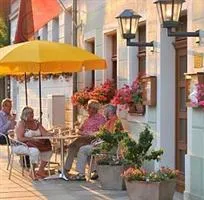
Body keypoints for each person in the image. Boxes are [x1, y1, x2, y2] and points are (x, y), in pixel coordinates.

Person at [72, 104, 122, 181]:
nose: (103, 113)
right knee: (86, 148)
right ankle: (95, 171)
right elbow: (103, 133)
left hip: (107, 147)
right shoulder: (112, 120)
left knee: (83, 149)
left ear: (109, 112)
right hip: (105, 145)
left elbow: (108, 136)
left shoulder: (113, 121)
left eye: (105, 111)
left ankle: (81, 174)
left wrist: (94, 134)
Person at [63, 100, 106, 177]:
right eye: (88, 107)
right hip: (83, 139)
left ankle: (79, 172)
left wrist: (85, 133)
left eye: (89, 108)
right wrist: (78, 130)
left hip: (93, 140)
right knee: (72, 147)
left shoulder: (100, 119)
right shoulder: (87, 118)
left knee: (77, 147)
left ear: (94, 109)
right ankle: (66, 169)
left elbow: (101, 132)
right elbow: (80, 129)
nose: (87, 109)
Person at [15, 106, 53, 180]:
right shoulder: (21, 124)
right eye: (30, 113)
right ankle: (32, 171)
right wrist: (31, 139)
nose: (32, 114)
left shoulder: (36, 123)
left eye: (32, 113)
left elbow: (44, 133)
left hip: (36, 144)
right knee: (35, 151)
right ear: (25, 115)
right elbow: (20, 138)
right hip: (23, 145)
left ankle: (41, 170)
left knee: (49, 150)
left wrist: (51, 133)